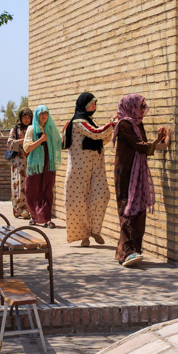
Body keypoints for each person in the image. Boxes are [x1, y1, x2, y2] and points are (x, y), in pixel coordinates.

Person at [112, 94, 170, 267]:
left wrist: (157, 140)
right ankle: (126, 252)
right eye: (141, 106)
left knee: (139, 209)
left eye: (144, 106)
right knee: (127, 209)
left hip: (137, 172)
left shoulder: (137, 123)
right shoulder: (124, 124)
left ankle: (132, 250)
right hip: (126, 173)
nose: (144, 109)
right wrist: (164, 145)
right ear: (131, 107)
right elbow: (140, 146)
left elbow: (142, 145)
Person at [63, 92, 117, 247]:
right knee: (80, 201)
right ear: (84, 105)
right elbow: (94, 133)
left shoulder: (91, 121)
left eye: (95, 104)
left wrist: (109, 128)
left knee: (102, 195)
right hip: (79, 168)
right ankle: (84, 235)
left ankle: (95, 230)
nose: (93, 107)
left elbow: (101, 138)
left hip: (96, 165)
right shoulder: (77, 122)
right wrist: (111, 124)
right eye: (91, 104)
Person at [23, 105, 62, 228]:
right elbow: (27, 148)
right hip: (35, 163)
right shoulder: (31, 129)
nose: (44, 115)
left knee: (47, 189)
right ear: (37, 115)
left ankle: (46, 218)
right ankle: (34, 216)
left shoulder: (51, 128)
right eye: (41, 113)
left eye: (46, 113)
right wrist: (40, 140)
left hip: (48, 162)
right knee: (32, 189)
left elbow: (60, 141)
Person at [7, 107, 33, 220]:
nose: (26, 120)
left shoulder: (33, 128)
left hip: (31, 160)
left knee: (29, 184)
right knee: (19, 185)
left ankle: (28, 209)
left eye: (28, 117)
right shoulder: (16, 128)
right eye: (24, 117)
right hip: (19, 161)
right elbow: (10, 143)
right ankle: (18, 209)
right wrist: (24, 140)